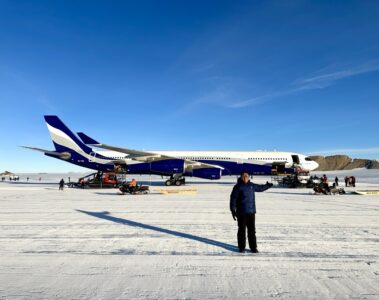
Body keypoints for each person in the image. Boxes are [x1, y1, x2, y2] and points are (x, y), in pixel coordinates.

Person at [230, 171, 273, 253]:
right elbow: (233, 199)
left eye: (247, 176)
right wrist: (232, 210)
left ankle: (253, 247)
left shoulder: (251, 185)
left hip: (251, 212)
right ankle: (241, 247)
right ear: (241, 177)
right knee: (242, 230)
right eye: (244, 176)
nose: (246, 177)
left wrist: (268, 186)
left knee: (252, 231)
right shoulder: (238, 186)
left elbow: (260, 188)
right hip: (241, 212)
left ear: (249, 177)